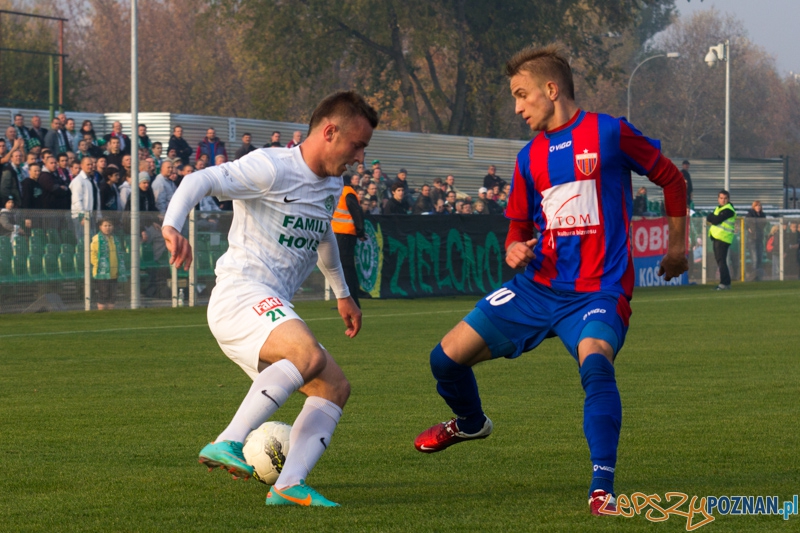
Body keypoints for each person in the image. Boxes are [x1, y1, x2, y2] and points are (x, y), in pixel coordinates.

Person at [412, 44, 687, 516]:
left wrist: (678, 245)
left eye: (522, 95)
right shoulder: (527, 158)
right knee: (444, 360)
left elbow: (671, 178)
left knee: (596, 364)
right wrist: (513, 248)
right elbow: (517, 230)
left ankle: (602, 488)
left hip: (598, 290)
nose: (517, 107)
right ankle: (471, 422)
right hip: (536, 289)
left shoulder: (609, 133)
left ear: (551, 89)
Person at [161, 90, 377, 507]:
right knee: (307, 354)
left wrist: (343, 295)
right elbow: (200, 179)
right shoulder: (271, 167)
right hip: (240, 295)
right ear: (330, 132)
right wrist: (173, 225)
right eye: (357, 145)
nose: (359, 157)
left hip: (269, 307)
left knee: (334, 388)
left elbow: (325, 236)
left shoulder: (332, 184)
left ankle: (288, 484)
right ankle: (227, 441)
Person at [332, 180, 366, 308]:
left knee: (346, 269)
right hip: (342, 234)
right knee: (345, 268)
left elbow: (357, 213)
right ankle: (350, 302)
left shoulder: (346, 192)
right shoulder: (344, 192)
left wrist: (360, 231)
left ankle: (351, 302)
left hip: (345, 234)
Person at [91, 217, 127, 310]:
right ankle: (102, 314)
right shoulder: (96, 239)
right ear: (100, 227)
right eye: (105, 225)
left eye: (110, 225)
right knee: (103, 294)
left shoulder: (115, 239)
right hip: (102, 273)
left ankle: (111, 314)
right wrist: (99, 265)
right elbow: (93, 255)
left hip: (114, 273)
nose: (108, 227)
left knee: (112, 295)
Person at [706, 190, 736, 290]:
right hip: (718, 238)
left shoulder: (728, 210)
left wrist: (711, 217)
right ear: (718, 199)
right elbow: (711, 217)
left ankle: (724, 283)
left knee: (721, 261)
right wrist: (711, 217)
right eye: (721, 198)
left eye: (725, 198)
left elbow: (714, 219)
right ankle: (726, 283)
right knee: (721, 261)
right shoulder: (719, 208)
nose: (723, 200)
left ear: (728, 199)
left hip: (723, 238)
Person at [70, 157, 102, 240]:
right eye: (88, 164)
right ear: (82, 165)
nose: (90, 166)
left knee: (92, 241)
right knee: (83, 242)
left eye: (91, 164)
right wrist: (82, 216)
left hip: (92, 216)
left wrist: (98, 215)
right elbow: (76, 201)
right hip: (82, 217)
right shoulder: (78, 180)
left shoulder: (92, 180)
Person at [745, 200, 767, 281]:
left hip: (760, 238)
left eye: (759, 206)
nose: (758, 207)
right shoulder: (750, 214)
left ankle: (758, 276)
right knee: (755, 259)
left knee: (760, 258)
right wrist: (749, 228)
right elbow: (746, 224)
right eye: (756, 206)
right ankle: (754, 277)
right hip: (752, 239)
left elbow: (763, 224)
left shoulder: (762, 215)